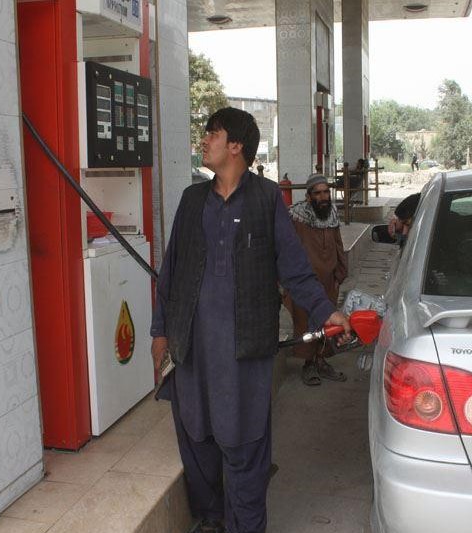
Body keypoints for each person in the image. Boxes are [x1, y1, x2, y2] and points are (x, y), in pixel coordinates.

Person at [150, 107, 351, 533]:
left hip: (244, 353)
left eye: (212, 133)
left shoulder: (265, 200)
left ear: (236, 145)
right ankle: (211, 518)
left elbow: (295, 269)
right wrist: (160, 332)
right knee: (197, 439)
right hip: (191, 350)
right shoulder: (191, 200)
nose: (204, 140)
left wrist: (327, 310)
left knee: (244, 446)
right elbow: (172, 272)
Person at [286, 174, 348, 386]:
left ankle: (321, 361)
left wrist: (340, 272)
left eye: (326, 192)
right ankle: (309, 364)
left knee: (328, 324)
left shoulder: (331, 215)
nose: (323, 197)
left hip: (329, 281)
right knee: (305, 324)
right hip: (304, 283)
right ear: (309, 196)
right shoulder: (296, 217)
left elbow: (338, 245)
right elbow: (287, 249)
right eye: (318, 193)